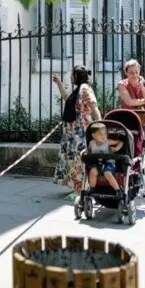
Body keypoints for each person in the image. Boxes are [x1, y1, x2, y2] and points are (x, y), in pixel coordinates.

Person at [52, 65, 101, 200]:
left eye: (72, 75)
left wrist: (100, 126)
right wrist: (59, 83)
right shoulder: (78, 90)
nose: (70, 77)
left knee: (78, 161)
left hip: (80, 133)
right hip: (72, 133)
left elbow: (93, 106)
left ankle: (80, 191)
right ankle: (76, 188)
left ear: (76, 75)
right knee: (73, 161)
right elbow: (66, 98)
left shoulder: (85, 88)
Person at [117, 59, 145, 144]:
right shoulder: (122, 85)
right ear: (126, 73)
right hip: (131, 118)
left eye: (136, 72)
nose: (134, 75)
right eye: (131, 73)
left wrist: (141, 86)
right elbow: (129, 102)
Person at [85, 123, 124, 196]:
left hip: (108, 162)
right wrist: (85, 152)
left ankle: (117, 190)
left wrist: (116, 148)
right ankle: (92, 189)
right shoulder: (91, 143)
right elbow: (88, 150)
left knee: (107, 173)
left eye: (105, 134)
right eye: (100, 134)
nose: (103, 136)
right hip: (96, 163)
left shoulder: (107, 142)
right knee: (92, 172)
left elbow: (120, 142)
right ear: (93, 136)